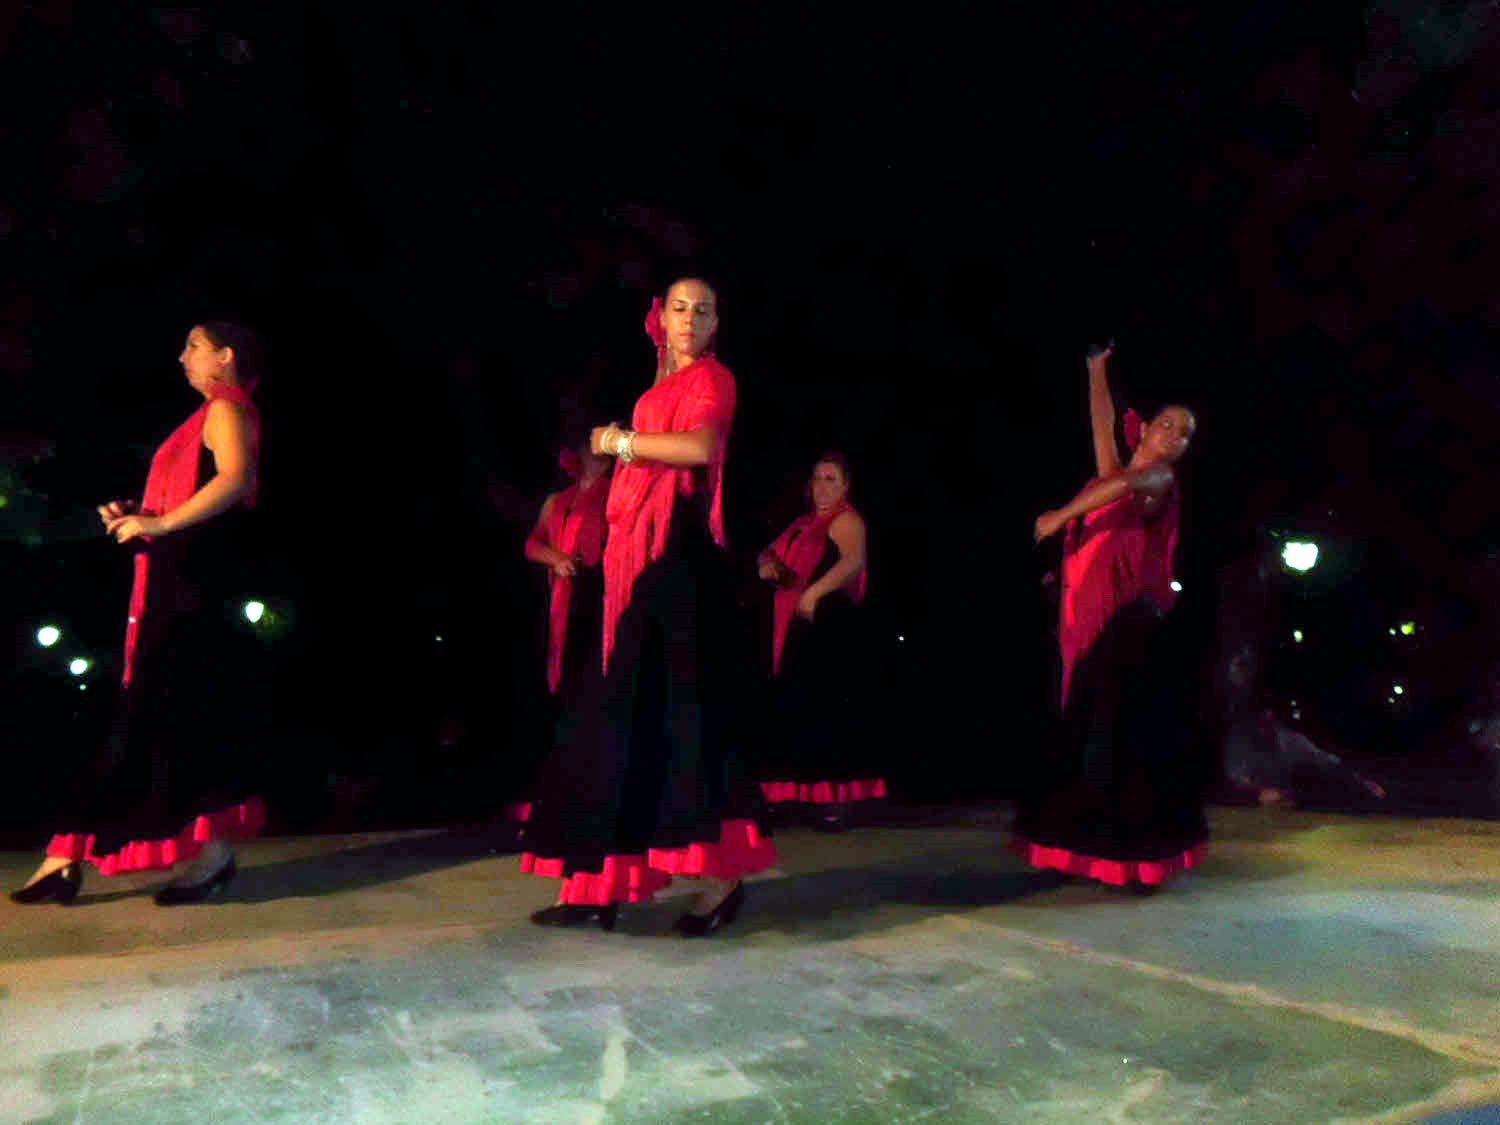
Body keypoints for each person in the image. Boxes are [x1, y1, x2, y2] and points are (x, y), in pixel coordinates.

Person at [519, 278, 777, 935]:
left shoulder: (713, 380)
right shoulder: (656, 387)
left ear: (719, 323)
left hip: (679, 561)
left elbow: (700, 448)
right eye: (680, 307)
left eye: (705, 309)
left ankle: (719, 883)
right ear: (661, 318)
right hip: (634, 565)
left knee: (680, 716)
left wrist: (618, 442)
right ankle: (597, 883)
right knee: (615, 718)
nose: (691, 318)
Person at [11, 321, 267, 906]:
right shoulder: (207, 416)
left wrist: (160, 523)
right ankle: (201, 857)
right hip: (178, 585)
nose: (182, 356)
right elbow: (203, 492)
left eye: (195, 347)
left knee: (148, 721)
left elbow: (235, 481)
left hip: (191, 592)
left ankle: (69, 854)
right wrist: (141, 514)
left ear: (226, 357)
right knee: (165, 725)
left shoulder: (227, 410)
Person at [1019, 344, 1206, 891]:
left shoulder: (1160, 482)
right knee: (1077, 740)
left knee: (1113, 740)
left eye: (1184, 433)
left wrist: (1060, 518)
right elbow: (1102, 435)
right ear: (1143, 428)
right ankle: (1078, 853)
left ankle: (1131, 862)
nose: (1173, 435)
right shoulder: (1110, 476)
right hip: (1082, 621)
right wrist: (1096, 371)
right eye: (1166, 424)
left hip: (1127, 628)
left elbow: (1126, 484)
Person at [756, 453, 882, 831]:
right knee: (795, 712)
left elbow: (852, 562)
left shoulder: (846, 519)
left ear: (845, 486)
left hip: (829, 625)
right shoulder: (802, 524)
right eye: (817, 478)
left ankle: (834, 804)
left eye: (831, 479)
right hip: (797, 628)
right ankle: (789, 798)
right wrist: (768, 566)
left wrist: (814, 592)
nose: (822, 486)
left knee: (825, 713)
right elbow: (768, 553)